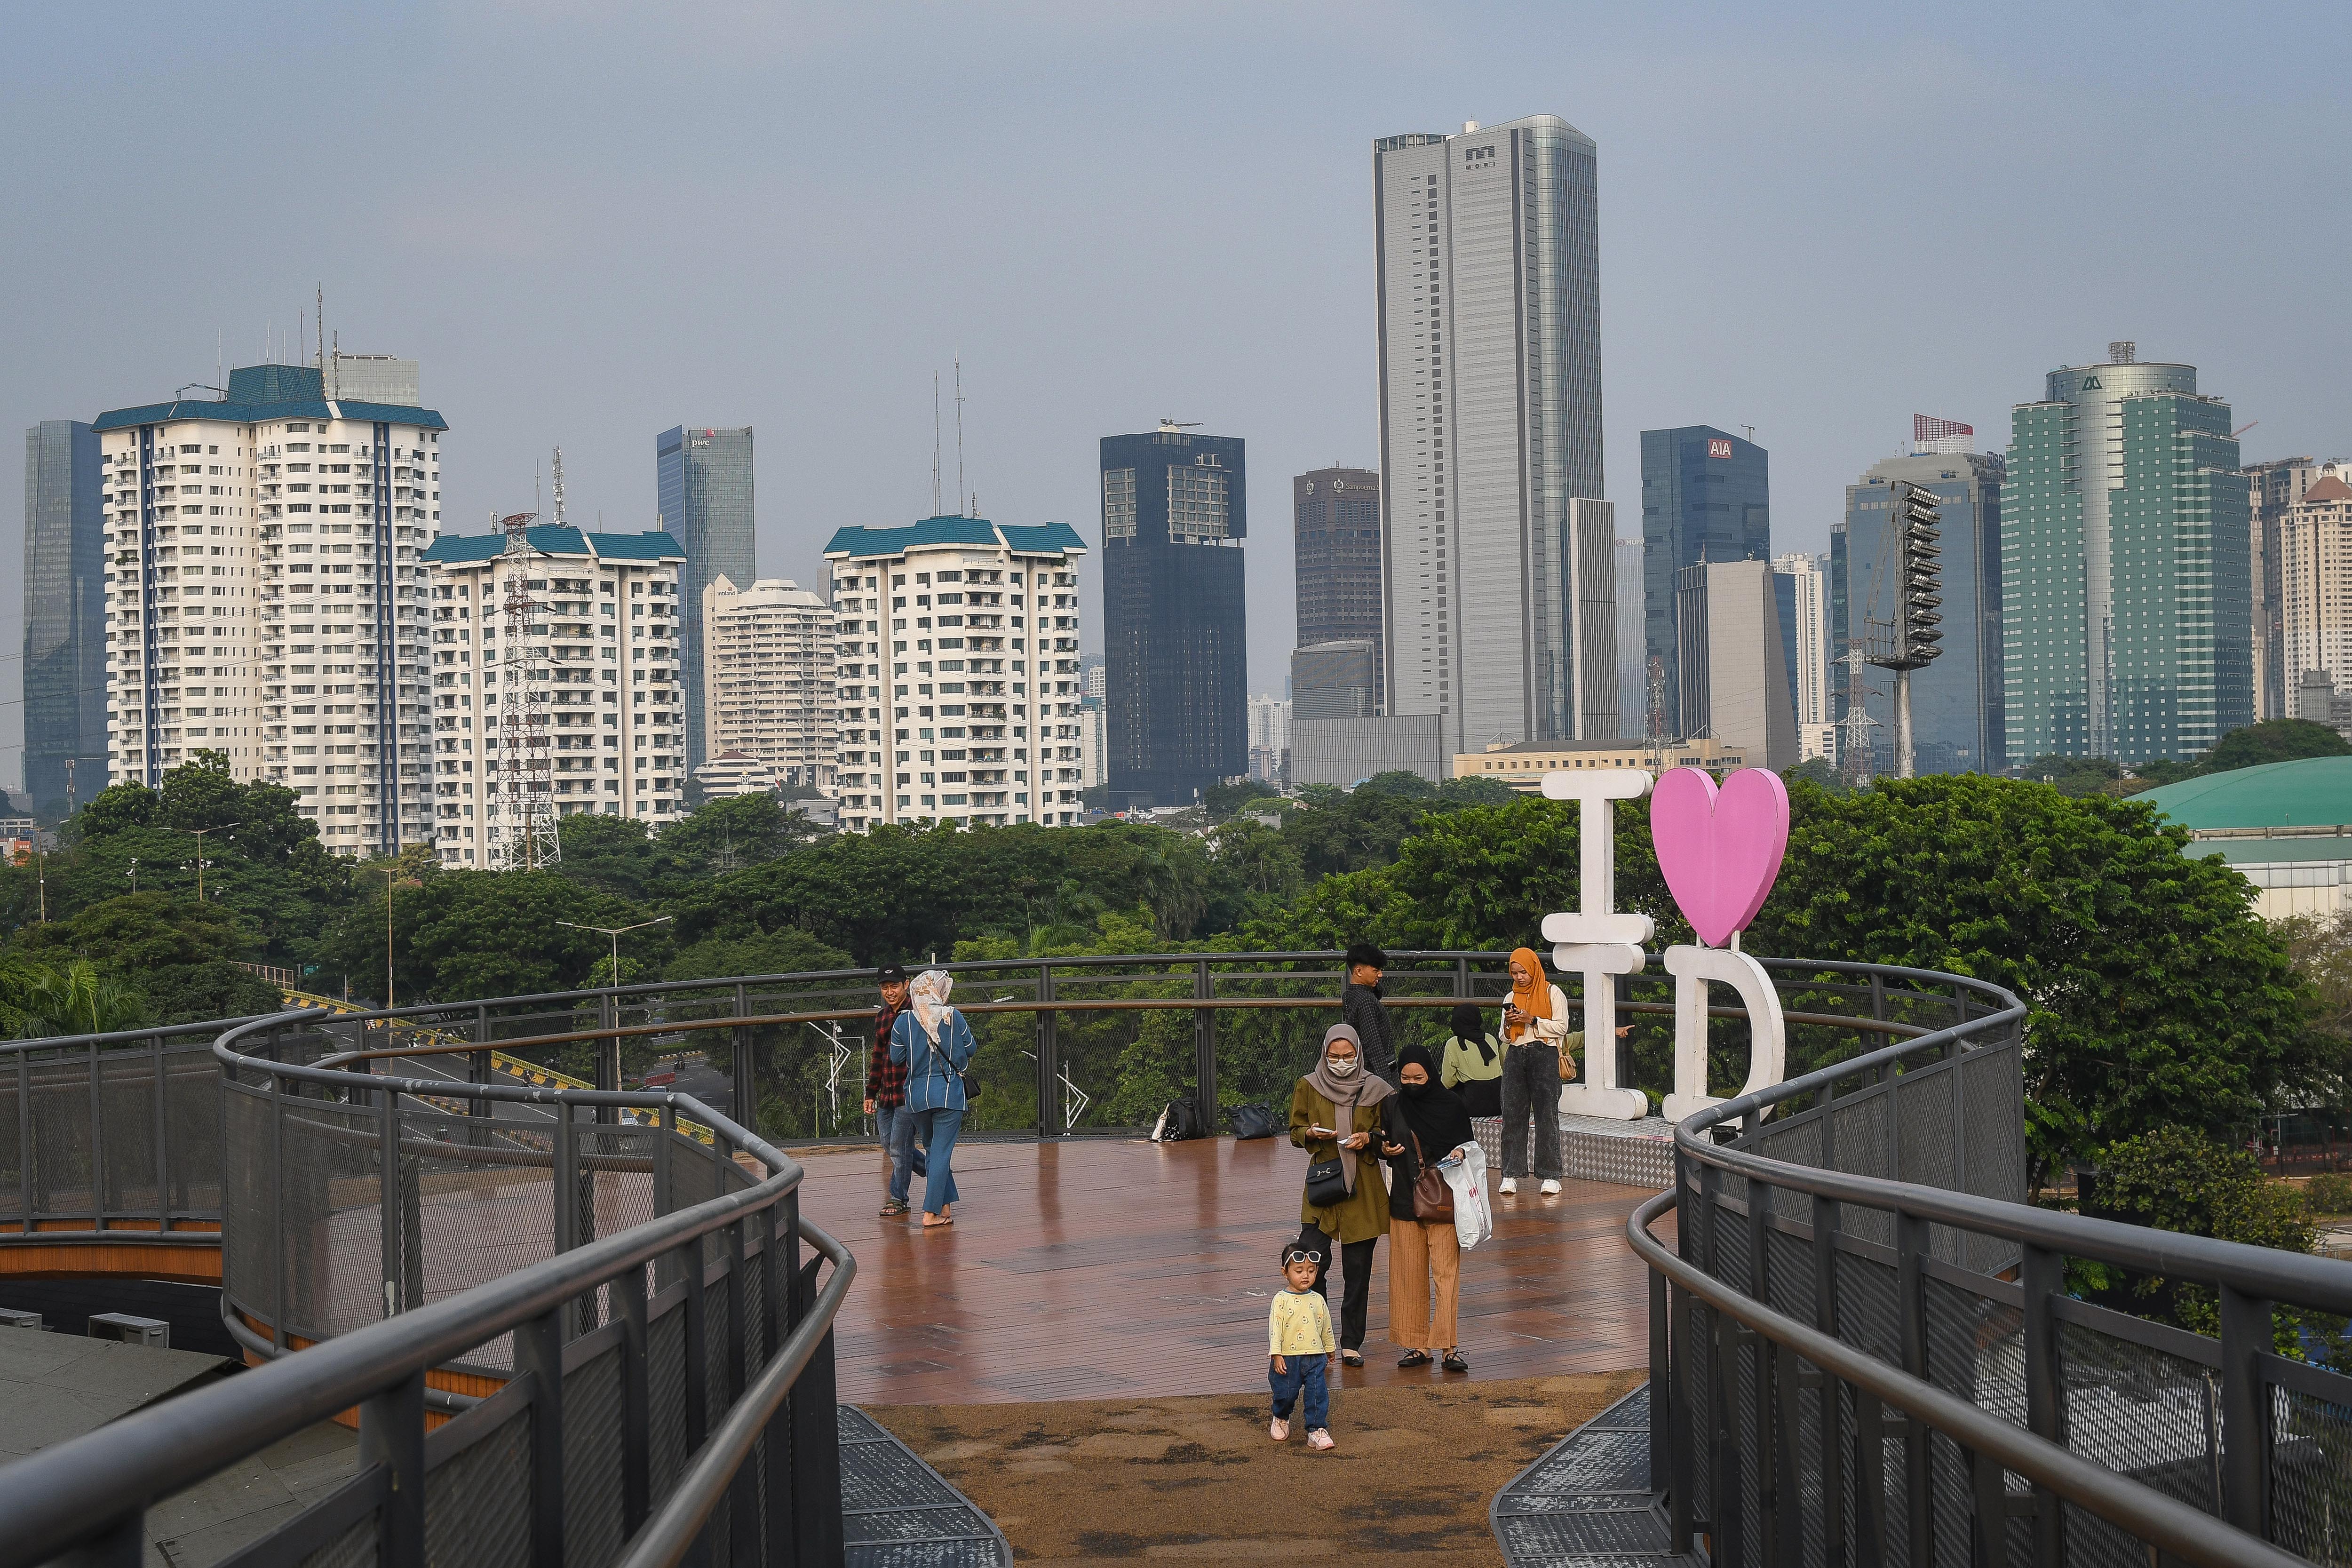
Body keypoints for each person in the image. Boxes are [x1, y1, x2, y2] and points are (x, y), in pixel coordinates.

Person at [1287, 1022, 1401, 1365]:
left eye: (1348, 1056)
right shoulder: (1308, 1085)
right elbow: (1294, 1131)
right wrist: (1310, 1132)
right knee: (1310, 1261)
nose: (1341, 1062)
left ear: (1358, 1053)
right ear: (1324, 1054)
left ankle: (1351, 1342)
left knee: (1358, 1271)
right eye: (1334, 1057)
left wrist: (1370, 1138)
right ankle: (1318, 1337)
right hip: (1323, 1187)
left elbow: (1388, 1134)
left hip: (1362, 1189)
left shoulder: (1378, 1089)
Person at [1380, 1043, 1475, 1372]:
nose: (1411, 1083)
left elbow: (1469, 1145)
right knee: (1408, 1274)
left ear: (1430, 1074)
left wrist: (1461, 1153)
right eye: (1405, 1077)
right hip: (1404, 1200)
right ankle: (1418, 1344)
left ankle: (1449, 1346)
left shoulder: (1451, 1105)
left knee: (1446, 1273)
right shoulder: (1392, 1104)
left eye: (1418, 1077)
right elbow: (1383, 1141)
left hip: (1442, 1200)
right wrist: (1384, 1148)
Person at [890, 969, 975, 1229]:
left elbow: (896, 1058)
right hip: (949, 1095)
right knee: (941, 1153)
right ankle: (930, 1213)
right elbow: (970, 1049)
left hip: (916, 1098)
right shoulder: (953, 1016)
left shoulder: (902, 1022)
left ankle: (945, 1207)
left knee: (933, 1151)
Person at [1497, 946, 1573, 1197]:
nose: (1519, 978)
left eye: (1524, 972)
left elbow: (1562, 1027)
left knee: (1546, 1115)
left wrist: (1532, 1020)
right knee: (1512, 1114)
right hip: (1516, 1055)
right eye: (1515, 973)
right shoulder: (1510, 996)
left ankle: (1550, 1175)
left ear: (1534, 969)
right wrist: (1509, 1024)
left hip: (1544, 1054)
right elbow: (1503, 1037)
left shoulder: (1552, 993)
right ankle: (1510, 1173)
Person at [1268, 1241, 1339, 1451]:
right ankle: (1281, 1416)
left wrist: (1329, 1347)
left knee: (1318, 1393)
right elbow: (1276, 1328)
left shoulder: (1317, 1299)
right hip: (1288, 1358)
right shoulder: (1281, 1299)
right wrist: (1276, 1354)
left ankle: (1316, 1430)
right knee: (1285, 1393)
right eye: (1299, 1271)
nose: (1305, 1276)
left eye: (1311, 1271)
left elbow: (1325, 1324)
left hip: (1315, 1357)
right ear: (1285, 1272)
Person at [863, 963, 919, 1218]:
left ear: (906, 985)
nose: (890, 992)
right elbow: (877, 1057)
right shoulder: (882, 1017)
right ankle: (935, 1169)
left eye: (894, 986)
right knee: (889, 1144)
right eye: (885, 988)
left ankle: (898, 1198)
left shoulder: (917, 1012)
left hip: (910, 1091)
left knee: (898, 1146)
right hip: (887, 1092)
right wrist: (870, 1093)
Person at [1339, 942, 1398, 1082]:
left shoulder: (1351, 996)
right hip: (1376, 1076)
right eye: (1376, 970)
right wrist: (1387, 1085)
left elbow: (1377, 994)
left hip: (1365, 1072)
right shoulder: (1366, 1001)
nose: (1380, 975)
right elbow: (1374, 1045)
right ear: (1359, 972)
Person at [1438, 1001, 1504, 1118]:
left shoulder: (1453, 1044)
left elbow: (1448, 1082)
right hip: (1500, 1102)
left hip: (1473, 1105)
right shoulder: (1490, 1038)